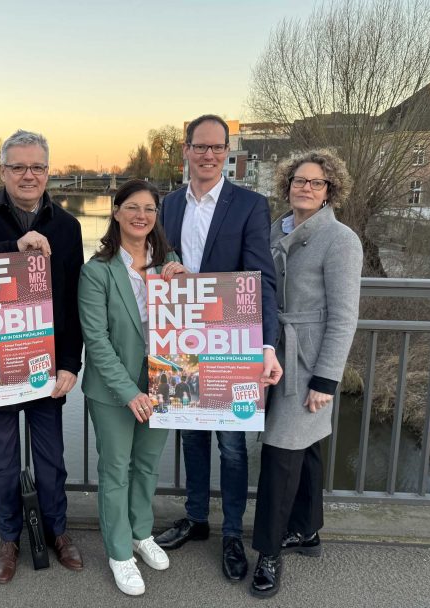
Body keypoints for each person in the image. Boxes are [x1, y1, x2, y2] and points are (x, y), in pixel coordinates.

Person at [0, 129, 85, 584]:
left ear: (48, 172)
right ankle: (8, 537)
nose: (29, 175)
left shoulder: (67, 227)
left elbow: (73, 302)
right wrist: (12, 250)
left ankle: (57, 531)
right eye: (19, 167)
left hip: (45, 366)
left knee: (52, 460)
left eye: (38, 167)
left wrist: (71, 364)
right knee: (1, 460)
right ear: (2, 171)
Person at [156, 114, 282, 582]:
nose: (209, 155)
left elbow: (261, 279)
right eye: (200, 146)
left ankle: (232, 532)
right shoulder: (168, 204)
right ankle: (196, 518)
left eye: (217, 147)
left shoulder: (250, 205)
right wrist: (166, 267)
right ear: (185, 150)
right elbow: (158, 260)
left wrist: (267, 345)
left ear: (226, 152)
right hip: (183, 344)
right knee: (191, 435)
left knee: (232, 447)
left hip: (232, 344)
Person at [250, 149, 362, 598]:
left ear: (330, 190)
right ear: (287, 183)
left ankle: (269, 552)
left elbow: (344, 315)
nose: (307, 188)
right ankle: (307, 531)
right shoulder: (276, 228)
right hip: (270, 351)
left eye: (317, 183)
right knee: (307, 448)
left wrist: (325, 380)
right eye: (300, 180)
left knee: (281, 453)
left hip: (306, 360)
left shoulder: (340, 240)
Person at [78, 180, 185, 596]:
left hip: (163, 383)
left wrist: (187, 281)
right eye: (133, 207)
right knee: (115, 470)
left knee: (146, 465)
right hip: (112, 390)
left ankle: (142, 534)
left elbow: (190, 321)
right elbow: (97, 340)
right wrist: (129, 392)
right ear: (117, 212)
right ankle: (120, 551)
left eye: (150, 209)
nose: (142, 215)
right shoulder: (97, 271)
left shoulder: (169, 264)